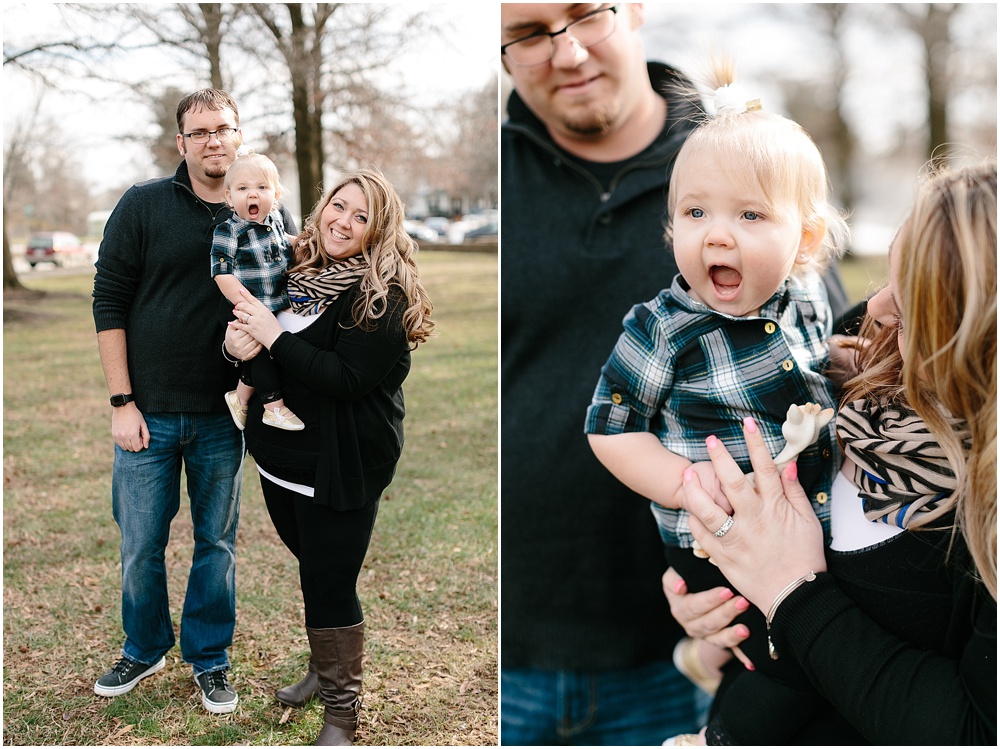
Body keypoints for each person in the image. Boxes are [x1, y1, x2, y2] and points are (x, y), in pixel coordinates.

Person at [500, 4, 852, 744]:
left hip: (710, 633)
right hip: (518, 644)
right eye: (530, 33)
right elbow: (610, 426)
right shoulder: (659, 315)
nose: (566, 53)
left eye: (585, 13)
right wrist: (701, 508)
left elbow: (846, 382)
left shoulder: (748, 159)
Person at [672, 159, 997, 744]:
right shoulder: (865, 348)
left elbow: (971, 728)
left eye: (909, 308)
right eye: (887, 282)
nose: (874, 310)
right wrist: (716, 598)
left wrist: (791, 593)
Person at [585, 61, 848, 700]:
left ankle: (709, 669)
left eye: (750, 216)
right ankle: (715, 717)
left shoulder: (808, 299)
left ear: (805, 239)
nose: (717, 235)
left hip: (812, 533)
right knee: (782, 680)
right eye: (696, 213)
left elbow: (822, 368)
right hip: (716, 540)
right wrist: (684, 483)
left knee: (822, 658)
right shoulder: (666, 329)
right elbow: (608, 430)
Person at [92, 88, 293, 714]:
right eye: (200, 131)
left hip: (224, 414)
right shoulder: (144, 204)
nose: (213, 141)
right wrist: (121, 401)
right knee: (140, 545)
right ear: (182, 142)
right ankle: (145, 645)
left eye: (223, 129)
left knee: (218, 544)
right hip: (147, 412)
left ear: (239, 136)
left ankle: (210, 660)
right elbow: (109, 300)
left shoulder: (262, 211)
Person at [224, 166, 435, 745]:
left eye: (361, 215)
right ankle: (323, 667)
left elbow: (343, 378)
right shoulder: (297, 270)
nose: (343, 221)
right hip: (279, 458)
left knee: (330, 578)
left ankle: (342, 713)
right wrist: (239, 341)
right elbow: (258, 339)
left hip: (340, 464)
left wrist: (271, 335)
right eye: (338, 206)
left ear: (379, 228)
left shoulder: (381, 294)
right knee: (314, 567)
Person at [212, 151, 303, 432]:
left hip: (279, 302)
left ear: (275, 194)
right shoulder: (229, 231)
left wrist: (302, 243)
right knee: (261, 354)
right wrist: (246, 304)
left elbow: (285, 242)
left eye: (262, 187)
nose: (253, 195)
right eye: (243, 188)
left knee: (271, 350)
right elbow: (221, 272)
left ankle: (239, 396)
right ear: (229, 197)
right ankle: (273, 407)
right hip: (252, 305)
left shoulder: (275, 219)